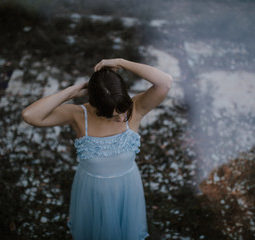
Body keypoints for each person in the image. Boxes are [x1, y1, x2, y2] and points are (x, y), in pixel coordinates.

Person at [21, 58, 172, 240]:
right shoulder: (77, 115)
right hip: (91, 191)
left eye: (122, 113)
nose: (121, 119)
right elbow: (30, 116)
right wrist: (72, 92)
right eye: (113, 116)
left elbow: (165, 82)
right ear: (96, 107)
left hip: (126, 188)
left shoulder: (136, 108)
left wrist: (121, 62)